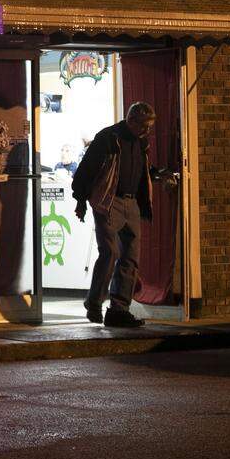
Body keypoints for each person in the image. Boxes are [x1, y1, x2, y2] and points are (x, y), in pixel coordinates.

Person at [71, 102, 177, 327]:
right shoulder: (108, 138)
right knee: (109, 252)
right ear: (131, 121)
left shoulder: (140, 142)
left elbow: (140, 169)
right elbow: (85, 170)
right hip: (109, 201)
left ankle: (118, 310)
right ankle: (94, 302)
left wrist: (158, 174)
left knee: (130, 257)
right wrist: (80, 199)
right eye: (144, 127)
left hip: (131, 203)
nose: (147, 132)